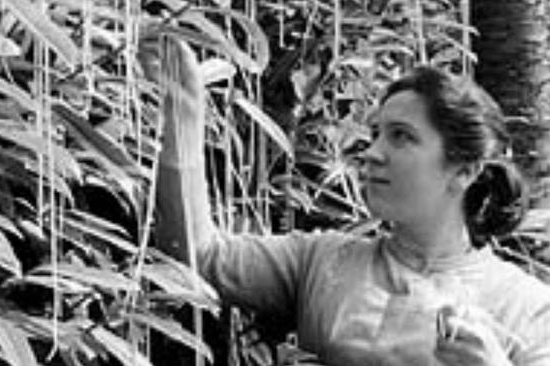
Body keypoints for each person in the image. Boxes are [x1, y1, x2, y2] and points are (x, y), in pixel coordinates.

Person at [156, 65, 550, 366]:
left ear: (464, 170)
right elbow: (196, 259)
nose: (372, 152)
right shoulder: (323, 261)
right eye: (374, 134)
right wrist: (182, 115)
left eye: (401, 136)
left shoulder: (527, 307)